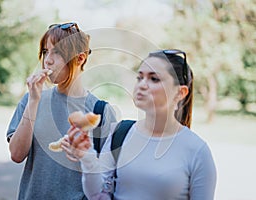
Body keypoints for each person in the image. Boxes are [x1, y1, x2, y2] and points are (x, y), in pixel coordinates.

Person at [65, 49, 217, 200]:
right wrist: (87, 157)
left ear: (180, 93)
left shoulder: (197, 150)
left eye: (154, 79)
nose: (142, 85)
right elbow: (98, 195)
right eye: (139, 77)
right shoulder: (120, 133)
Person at [6, 22, 116, 200]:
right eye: (45, 51)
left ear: (80, 58)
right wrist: (34, 101)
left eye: (56, 52)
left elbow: (106, 178)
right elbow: (17, 155)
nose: (47, 60)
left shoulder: (101, 112)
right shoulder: (31, 99)